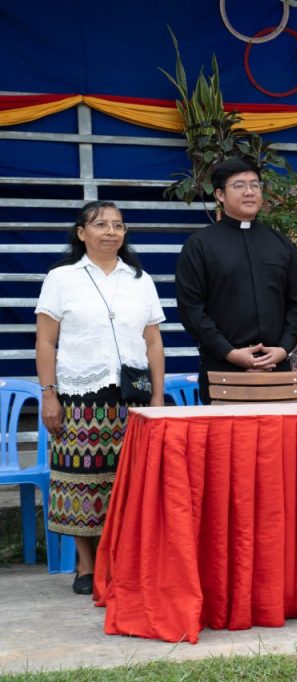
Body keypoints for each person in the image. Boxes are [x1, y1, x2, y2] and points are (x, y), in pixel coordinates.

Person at [34, 201, 165, 595]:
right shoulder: (61, 278)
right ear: (81, 233)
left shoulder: (140, 279)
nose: (111, 232)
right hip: (79, 397)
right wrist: (49, 395)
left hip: (134, 399)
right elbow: (46, 341)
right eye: (101, 224)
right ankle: (86, 565)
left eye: (118, 225)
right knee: (80, 483)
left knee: (129, 482)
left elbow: (153, 342)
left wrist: (158, 398)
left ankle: (121, 561)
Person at [175, 157, 297, 403]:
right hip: (222, 368)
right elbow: (191, 309)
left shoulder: (281, 244)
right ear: (220, 194)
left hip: (276, 368)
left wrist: (283, 349)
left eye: (255, 185)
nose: (249, 192)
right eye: (239, 186)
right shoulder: (200, 245)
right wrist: (229, 352)